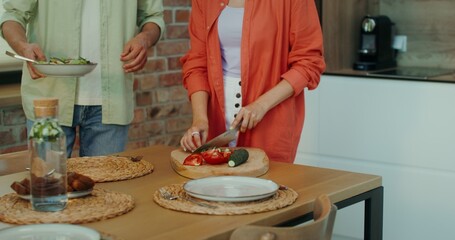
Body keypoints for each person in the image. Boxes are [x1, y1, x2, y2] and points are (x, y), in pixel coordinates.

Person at [0, 0, 165, 157]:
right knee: (47, 184)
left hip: (111, 100)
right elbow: (12, 16)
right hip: (48, 98)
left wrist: (145, 38)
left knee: (108, 186)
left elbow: (153, 17)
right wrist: (23, 47)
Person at [179, 0, 325, 163]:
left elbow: (308, 63)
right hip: (216, 115)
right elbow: (197, 62)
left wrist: (260, 105)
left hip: (271, 115)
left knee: (268, 182)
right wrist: (200, 118)